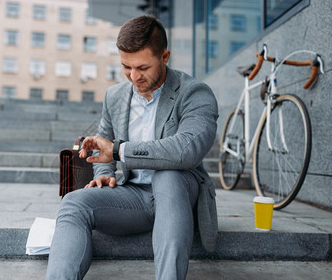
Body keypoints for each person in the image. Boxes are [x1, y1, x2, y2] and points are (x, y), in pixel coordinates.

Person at [46, 15, 218, 280]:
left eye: (142, 67)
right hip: (132, 196)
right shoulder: (114, 96)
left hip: (179, 195)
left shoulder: (194, 93)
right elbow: (104, 141)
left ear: (165, 56)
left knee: (168, 176)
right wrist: (104, 171)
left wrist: (119, 151)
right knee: (73, 203)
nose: (134, 76)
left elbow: (187, 150)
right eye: (126, 66)